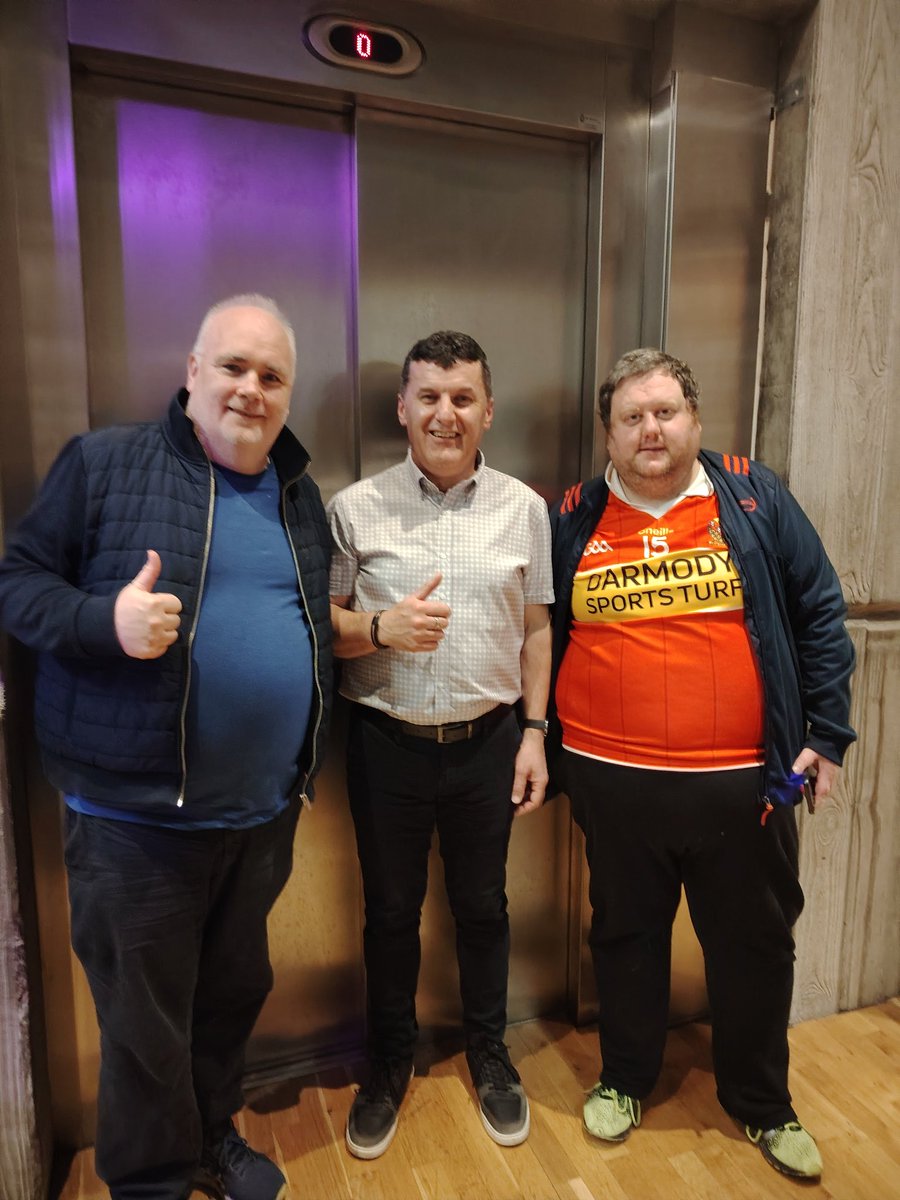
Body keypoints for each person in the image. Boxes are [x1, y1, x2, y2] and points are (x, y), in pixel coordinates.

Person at [0, 295, 333, 1200]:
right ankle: (149, 1179)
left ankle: (209, 1139)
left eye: (271, 376)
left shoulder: (301, 499)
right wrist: (102, 620)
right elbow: (17, 582)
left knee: (229, 998)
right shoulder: (104, 464)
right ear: (191, 372)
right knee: (144, 1025)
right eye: (232, 366)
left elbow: (299, 621)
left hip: (258, 815)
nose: (250, 390)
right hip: (133, 821)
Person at [548, 348, 855, 1182]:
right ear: (607, 433)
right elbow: (538, 631)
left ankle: (762, 1103)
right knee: (624, 937)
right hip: (611, 787)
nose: (651, 429)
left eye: (665, 411)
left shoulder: (755, 500)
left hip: (743, 789)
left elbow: (821, 611)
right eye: (631, 417)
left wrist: (826, 734)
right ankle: (624, 1078)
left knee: (754, 944)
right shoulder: (574, 514)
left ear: (694, 419)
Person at [328, 331, 553, 1159]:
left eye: (462, 397)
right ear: (402, 409)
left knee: (483, 908)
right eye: (428, 396)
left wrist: (534, 732)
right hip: (385, 745)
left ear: (488, 410)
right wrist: (381, 629)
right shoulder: (354, 508)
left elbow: (536, 630)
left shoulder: (526, 509)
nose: (445, 413)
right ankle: (390, 1060)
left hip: (490, 742)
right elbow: (327, 630)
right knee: (389, 915)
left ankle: (490, 1051)